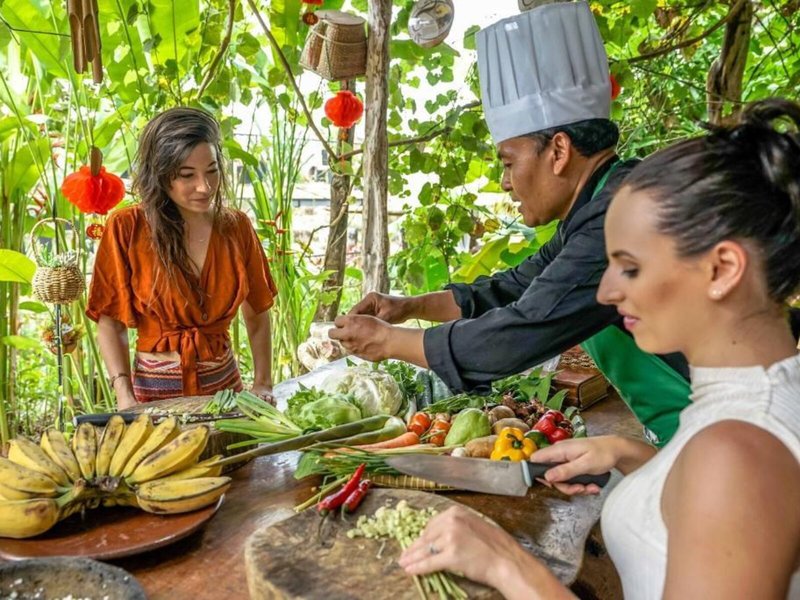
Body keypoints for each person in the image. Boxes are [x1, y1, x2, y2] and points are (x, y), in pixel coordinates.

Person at [398, 98, 800, 599]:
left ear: (722, 270)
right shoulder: (766, 396)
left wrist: (511, 568)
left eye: (629, 267)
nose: (606, 293)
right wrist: (630, 455)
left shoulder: (735, 456)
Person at [330, 2, 694, 447]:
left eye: (508, 161)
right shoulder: (597, 204)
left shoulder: (619, 218)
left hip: (725, 437)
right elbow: (514, 288)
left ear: (558, 152)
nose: (505, 182)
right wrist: (408, 307)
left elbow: (517, 334)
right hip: (687, 435)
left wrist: (389, 342)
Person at [87, 107, 278, 409]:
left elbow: (256, 313)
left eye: (212, 171)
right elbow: (110, 323)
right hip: (152, 397)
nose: (205, 187)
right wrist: (124, 396)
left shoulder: (236, 226)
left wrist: (263, 383)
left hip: (226, 393)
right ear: (161, 175)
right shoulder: (127, 228)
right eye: (187, 175)